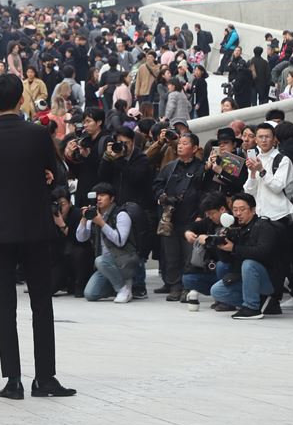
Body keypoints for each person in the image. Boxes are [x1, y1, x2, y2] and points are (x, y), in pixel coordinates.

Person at [0, 74, 75, 400]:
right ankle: (44, 377)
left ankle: (13, 380)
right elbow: (57, 172)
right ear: (21, 100)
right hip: (33, 225)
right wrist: (43, 175)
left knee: (5, 305)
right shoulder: (37, 134)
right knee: (41, 303)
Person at [243, 123, 293, 311]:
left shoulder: (282, 160)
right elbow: (249, 191)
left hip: (279, 216)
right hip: (260, 216)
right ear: (255, 139)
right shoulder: (255, 158)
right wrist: (252, 172)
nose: (264, 140)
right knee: (261, 258)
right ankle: (264, 296)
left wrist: (262, 171)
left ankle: (274, 298)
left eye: (268, 137)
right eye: (260, 137)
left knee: (278, 260)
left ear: (274, 139)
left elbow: (277, 186)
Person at [210, 194, 279, 319]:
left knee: (249, 264)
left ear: (253, 210)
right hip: (245, 277)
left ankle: (252, 308)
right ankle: (264, 303)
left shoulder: (263, 226)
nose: (238, 214)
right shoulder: (236, 228)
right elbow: (227, 260)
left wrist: (234, 248)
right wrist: (221, 244)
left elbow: (263, 252)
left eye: (242, 209)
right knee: (217, 291)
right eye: (235, 210)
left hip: (267, 278)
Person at [152, 133, 205, 301]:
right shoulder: (170, 166)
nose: (180, 146)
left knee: (189, 256)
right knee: (171, 255)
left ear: (195, 148)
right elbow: (157, 185)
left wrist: (201, 215)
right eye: (179, 143)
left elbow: (205, 193)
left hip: (191, 219)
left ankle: (188, 287)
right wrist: (162, 196)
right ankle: (174, 286)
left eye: (185, 143)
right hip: (170, 218)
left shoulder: (202, 168)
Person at [77, 182, 148, 303]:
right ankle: (120, 284)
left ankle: (123, 288)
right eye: (97, 195)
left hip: (124, 260)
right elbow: (81, 238)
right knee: (90, 294)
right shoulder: (94, 214)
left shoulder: (121, 215)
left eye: (103, 195)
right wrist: (84, 219)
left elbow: (120, 241)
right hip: (106, 265)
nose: (99, 198)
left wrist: (101, 223)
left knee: (100, 260)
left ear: (112, 198)